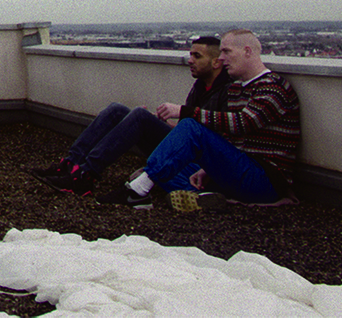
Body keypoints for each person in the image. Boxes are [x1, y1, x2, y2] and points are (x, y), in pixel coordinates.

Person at [97, 28, 300, 209]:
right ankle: (203, 196)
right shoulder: (238, 88)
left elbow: (242, 123)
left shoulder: (274, 86)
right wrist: (207, 169)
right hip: (241, 170)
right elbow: (231, 138)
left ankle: (137, 191)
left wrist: (185, 111)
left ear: (247, 51)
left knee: (190, 127)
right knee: (172, 166)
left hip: (265, 179)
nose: (221, 58)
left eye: (226, 52)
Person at [30, 35, 229, 197]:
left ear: (216, 63)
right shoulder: (201, 86)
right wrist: (163, 123)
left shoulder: (228, 90)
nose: (190, 60)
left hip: (199, 161)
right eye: (190, 54)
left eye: (197, 56)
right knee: (117, 110)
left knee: (140, 117)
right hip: (183, 147)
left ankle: (85, 176)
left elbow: (216, 137)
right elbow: (189, 129)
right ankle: (70, 165)